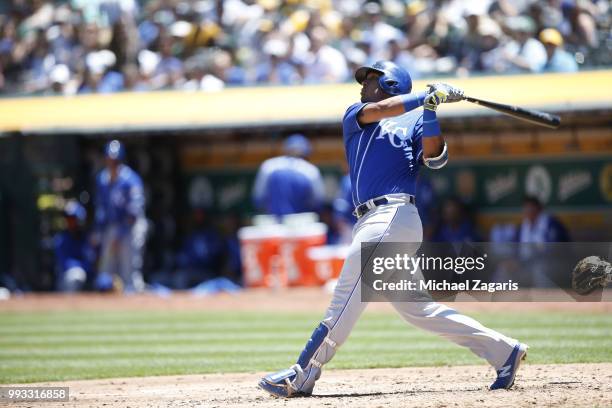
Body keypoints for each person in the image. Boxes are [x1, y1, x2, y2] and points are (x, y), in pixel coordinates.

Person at [258, 61, 528, 397]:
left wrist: (430, 109)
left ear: (389, 83)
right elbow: (384, 109)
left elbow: (434, 157)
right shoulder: (357, 114)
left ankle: (301, 374)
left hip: (393, 216)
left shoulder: (416, 118)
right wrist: (426, 96)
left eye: (370, 80)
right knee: (418, 308)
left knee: (345, 298)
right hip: (375, 222)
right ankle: (504, 352)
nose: (362, 87)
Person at [94, 140, 147, 292]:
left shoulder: (131, 180)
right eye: (109, 159)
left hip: (131, 226)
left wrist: (120, 233)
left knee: (128, 267)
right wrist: (98, 232)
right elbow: (101, 208)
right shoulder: (102, 180)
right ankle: (107, 300)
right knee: (105, 268)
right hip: (112, 225)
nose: (112, 163)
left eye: (115, 160)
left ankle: (132, 295)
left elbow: (133, 212)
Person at [252, 134, 325, 218]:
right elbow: (317, 201)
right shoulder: (310, 170)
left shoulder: (269, 166)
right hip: (301, 223)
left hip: (273, 223)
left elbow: (258, 197)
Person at [53, 201, 96, 292]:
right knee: (77, 275)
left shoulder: (86, 239)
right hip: (66, 279)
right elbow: (65, 263)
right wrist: (82, 266)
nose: (70, 222)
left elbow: (91, 260)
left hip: (88, 279)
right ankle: (70, 303)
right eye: (68, 219)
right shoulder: (61, 239)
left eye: (72, 219)